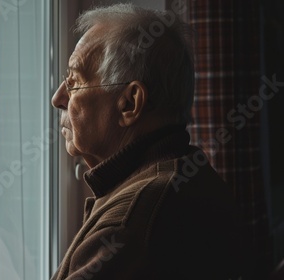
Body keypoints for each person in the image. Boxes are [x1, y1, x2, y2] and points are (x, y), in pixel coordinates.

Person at [51, 3, 243, 280]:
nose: (58, 99)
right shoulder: (192, 173)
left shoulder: (127, 226)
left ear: (130, 103)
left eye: (75, 82)